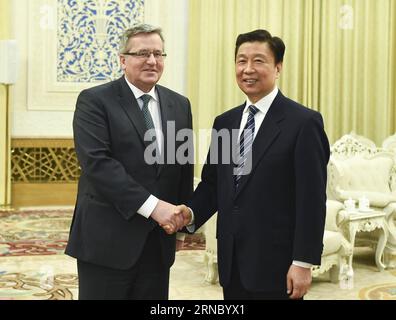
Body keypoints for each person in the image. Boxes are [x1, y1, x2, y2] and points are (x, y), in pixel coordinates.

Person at [168, 29, 330, 300]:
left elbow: (312, 200)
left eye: (259, 61)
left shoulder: (303, 123)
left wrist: (303, 262)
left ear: (278, 67)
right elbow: (212, 185)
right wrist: (190, 214)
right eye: (241, 61)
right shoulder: (226, 122)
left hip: (278, 266)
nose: (248, 69)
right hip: (232, 265)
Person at [65, 23, 193, 300]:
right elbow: (98, 164)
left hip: (158, 241)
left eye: (158, 54)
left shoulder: (179, 104)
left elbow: (183, 167)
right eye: (142, 53)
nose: (152, 61)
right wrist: (154, 207)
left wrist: (181, 227)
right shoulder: (95, 101)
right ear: (123, 60)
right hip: (107, 239)